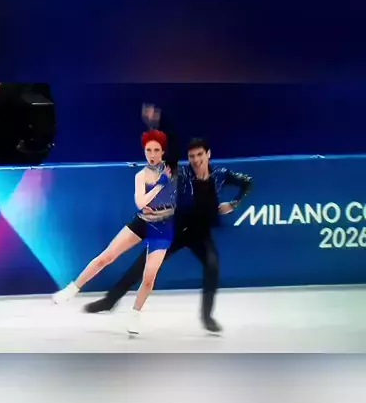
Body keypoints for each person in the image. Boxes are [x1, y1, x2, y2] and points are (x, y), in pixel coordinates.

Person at [84, 113, 253, 334]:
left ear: (208, 154)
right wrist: (158, 123)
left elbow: (247, 182)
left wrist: (235, 203)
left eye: (200, 155)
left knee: (212, 265)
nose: (196, 160)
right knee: (142, 266)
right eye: (192, 156)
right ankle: (110, 300)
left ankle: (207, 316)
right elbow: (170, 149)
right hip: (176, 229)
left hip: (200, 233)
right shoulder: (182, 174)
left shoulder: (221, 175)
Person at [51, 128, 178, 335]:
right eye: (148, 150)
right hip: (141, 222)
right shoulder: (141, 175)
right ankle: (72, 289)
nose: (152, 155)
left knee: (149, 277)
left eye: (156, 150)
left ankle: (135, 314)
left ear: (163, 151)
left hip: (163, 229)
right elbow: (140, 203)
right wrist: (158, 187)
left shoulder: (174, 172)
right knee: (106, 257)